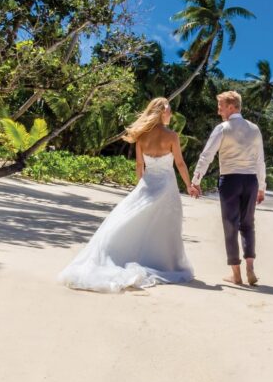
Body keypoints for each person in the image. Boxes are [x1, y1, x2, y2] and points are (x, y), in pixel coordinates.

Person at [58, 97, 195, 292]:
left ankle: (124, 254)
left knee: (135, 220)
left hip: (147, 185)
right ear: (161, 112)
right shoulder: (172, 136)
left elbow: (140, 165)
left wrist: (141, 187)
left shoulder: (141, 136)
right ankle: (163, 263)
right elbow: (180, 164)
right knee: (164, 225)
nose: (171, 114)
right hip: (166, 186)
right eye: (169, 110)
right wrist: (189, 185)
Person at [190, 90, 266, 286]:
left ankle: (236, 274)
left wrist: (196, 180)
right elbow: (260, 161)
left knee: (230, 225)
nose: (219, 111)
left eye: (221, 107)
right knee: (248, 224)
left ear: (232, 106)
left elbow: (207, 156)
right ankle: (250, 266)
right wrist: (262, 187)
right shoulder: (255, 129)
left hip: (230, 180)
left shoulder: (223, 128)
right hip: (251, 180)